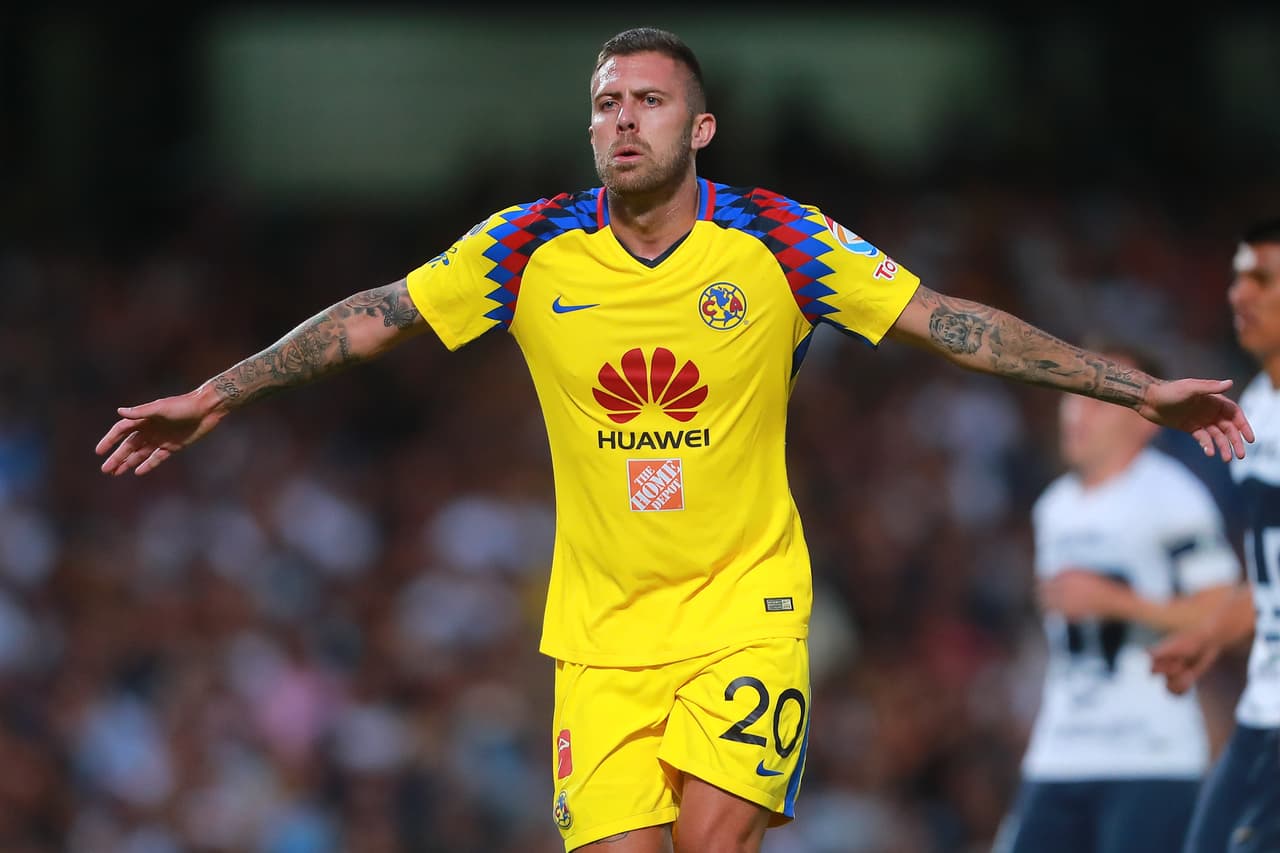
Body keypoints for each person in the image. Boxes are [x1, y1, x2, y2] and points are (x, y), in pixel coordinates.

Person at [96, 27, 1253, 853]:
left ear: (697, 125)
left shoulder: (778, 240)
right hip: (597, 638)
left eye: (645, 101)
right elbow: (374, 319)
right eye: (604, 102)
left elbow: (953, 326)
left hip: (741, 616)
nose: (620, 120)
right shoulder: (527, 246)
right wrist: (218, 392)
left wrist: (1132, 387)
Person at [995, 343, 1239, 853]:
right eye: (1073, 394)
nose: (1076, 412)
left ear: (1146, 419)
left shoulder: (1172, 496)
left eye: (1096, 398)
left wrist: (1117, 602)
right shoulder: (1053, 507)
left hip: (1149, 754)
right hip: (1061, 750)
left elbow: (1225, 609)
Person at [1151, 218, 1280, 853]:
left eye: (1262, 279)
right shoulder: (1254, 410)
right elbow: (1271, 581)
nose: (1239, 295)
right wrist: (1208, 636)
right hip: (1264, 710)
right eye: (1236, 278)